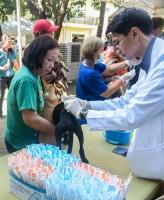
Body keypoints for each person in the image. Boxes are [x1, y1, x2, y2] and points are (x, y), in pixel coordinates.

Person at [63, 8, 164, 180]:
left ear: (134, 34)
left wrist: (84, 112)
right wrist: (87, 104)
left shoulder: (160, 66)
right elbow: (126, 101)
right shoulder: (151, 61)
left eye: (117, 42)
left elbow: (131, 115)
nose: (115, 48)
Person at [5, 35, 58, 153]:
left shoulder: (35, 74)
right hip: (21, 144)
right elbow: (30, 119)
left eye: (54, 61)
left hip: (28, 139)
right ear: (37, 56)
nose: (52, 65)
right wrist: (57, 130)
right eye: (49, 60)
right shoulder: (27, 80)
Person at [76, 36, 136, 101]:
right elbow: (106, 92)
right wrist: (122, 79)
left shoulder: (90, 64)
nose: (102, 53)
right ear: (93, 52)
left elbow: (109, 69)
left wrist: (128, 63)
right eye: (100, 51)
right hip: (91, 106)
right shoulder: (89, 73)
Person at [0, 35, 20, 119]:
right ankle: (0, 113)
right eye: (9, 41)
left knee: (13, 93)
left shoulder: (12, 51)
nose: (11, 43)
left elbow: (15, 63)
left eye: (11, 41)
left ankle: (13, 112)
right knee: (1, 94)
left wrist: (20, 72)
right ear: (3, 42)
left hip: (11, 75)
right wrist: (2, 68)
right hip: (0, 77)